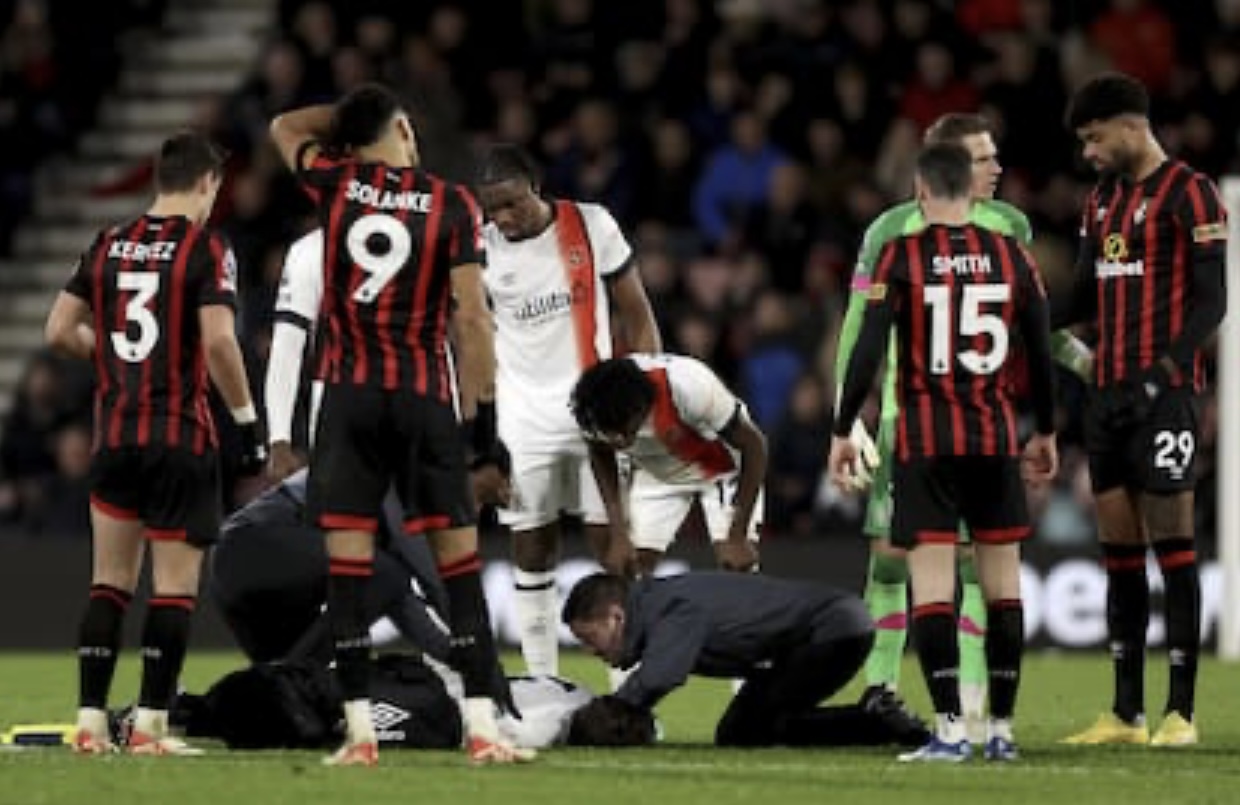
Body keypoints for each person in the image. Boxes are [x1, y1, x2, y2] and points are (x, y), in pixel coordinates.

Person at [269, 83, 530, 766]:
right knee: (462, 567)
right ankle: (482, 729)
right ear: (407, 130)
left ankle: (359, 735)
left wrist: (346, 126)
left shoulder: (335, 182)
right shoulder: (452, 203)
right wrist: (485, 429)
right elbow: (471, 320)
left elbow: (282, 125)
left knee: (348, 573)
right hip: (420, 397)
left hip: (348, 400)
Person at [833, 112, 1091, 732]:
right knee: (893, 562)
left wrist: (1080, 358)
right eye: (983, 159)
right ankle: (884, 692)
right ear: (945, 165)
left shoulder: (1007, 225)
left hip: (933, 427)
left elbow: (1028, 323)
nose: (997, 169)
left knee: (966, 568)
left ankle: (969, 707)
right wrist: (856, 417)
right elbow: (856, 327)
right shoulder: (886, 233)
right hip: (917, 421)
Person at [43, 130, 267, 756]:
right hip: (180, 439)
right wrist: (248, 423)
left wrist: (115, 360)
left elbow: (59, 329)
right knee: (172, 589)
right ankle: (148, 727)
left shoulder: (108, 243)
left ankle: (89, 725)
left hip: (115, 437)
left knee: (108, 583)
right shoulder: (206, 247)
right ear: (205, 183)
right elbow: (220, 343)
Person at [1054, 73, 1228, 748]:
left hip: (1168, 395)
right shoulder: (1100, 203)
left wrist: (1159, 377)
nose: (1090, 154)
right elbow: (1078, 302)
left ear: (1130, 126)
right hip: (1108, 399)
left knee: (1173, 547)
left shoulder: (1192, 192)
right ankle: (1126, 713)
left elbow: (1212, 303)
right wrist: (1027, 316)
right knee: (1119, 554)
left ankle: (1180, 712)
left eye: (1095, 139)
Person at [474, 143, 662, 678]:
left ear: (536, 185)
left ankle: (628, 690)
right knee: (532, 552)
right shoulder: (479, 252)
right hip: (521, 423)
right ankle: (541, 682)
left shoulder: (590, 225)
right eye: (492, 209)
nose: (502, 219)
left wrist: (645, 397)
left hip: (595, 416)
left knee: (617, 553)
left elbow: (637, 314)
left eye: (511, 204)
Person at [563, 571, 930, 748]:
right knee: (740, 732)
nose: (591, 651)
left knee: (758, 726)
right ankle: (877, 718)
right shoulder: (658, 603)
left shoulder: (668, 608)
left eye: (590, 638)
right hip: (817, 634)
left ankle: (874, 718)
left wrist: (610, 713)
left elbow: (660, 676)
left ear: (616, 617)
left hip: (830, 632)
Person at [569, 353, 764, 576]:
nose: (620, 441)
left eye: (625, 430)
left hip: (720, 466)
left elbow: (755, 447)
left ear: (641, 407)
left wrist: (737, 534)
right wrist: (619, 534)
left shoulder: (691, 386)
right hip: (656, 470)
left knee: (737, 568)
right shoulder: (592, 408)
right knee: (630, 570)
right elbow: (600, 454)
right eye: (613, 434)